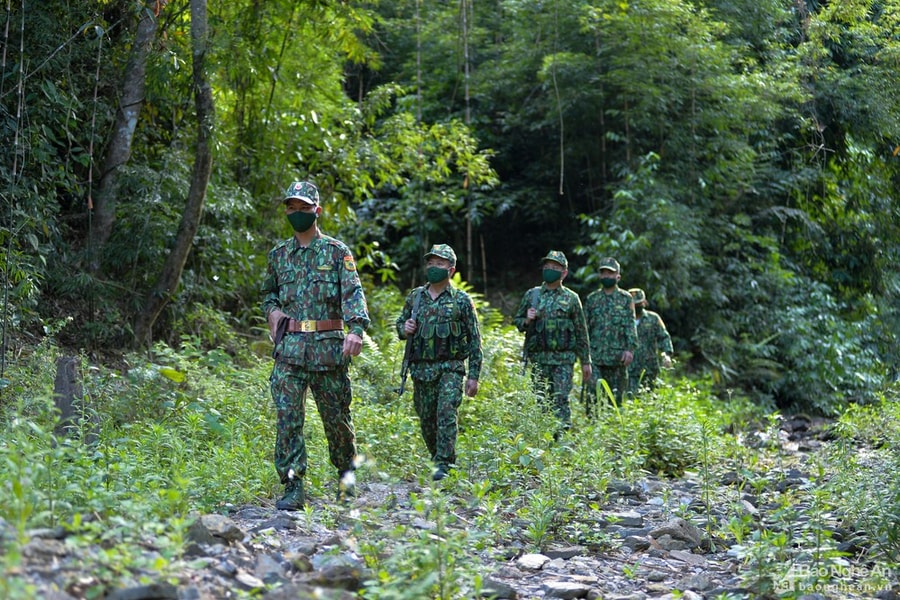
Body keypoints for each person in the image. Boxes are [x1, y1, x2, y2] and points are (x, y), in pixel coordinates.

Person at [262, 180, 370, 510]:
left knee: (336, 420)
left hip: (329, 349)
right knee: (288, 418)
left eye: (303, 208)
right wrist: (272, 311)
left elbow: (353, 293)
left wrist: (356, 329)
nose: (296, 214)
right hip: (291, 350)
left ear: (317, 211)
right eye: (291, 208)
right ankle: (293, 484)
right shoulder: (279, 255)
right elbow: (268, 294)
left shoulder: (337, 252)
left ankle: (346, 477)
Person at [396, 244, 483, 481]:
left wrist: (473, 376)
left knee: (446, 412)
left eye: (440, 264)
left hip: (450, 368)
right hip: (422, 369)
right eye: (431, 263)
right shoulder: (415, 297)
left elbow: (475, 340)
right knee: (426, 417)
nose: (434, 267)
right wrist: (405, 328)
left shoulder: (462, 301)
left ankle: (445, 464)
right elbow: (400, 326)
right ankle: (437, 456)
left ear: (451, 269)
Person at [513, 250, 592, 437]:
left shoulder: (571, 298)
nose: (550, 270)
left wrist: (585, 361)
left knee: (561, 398)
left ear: (564, 273)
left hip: (563, 359)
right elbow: (517, 322)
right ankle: (544, 440)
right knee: (541, 400)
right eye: (547, 267)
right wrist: (526, 319)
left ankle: (561, 440)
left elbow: (581, 331)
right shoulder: (533, 295)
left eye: (555, 268)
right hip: (539, 359)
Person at [583, 257, 637, 414]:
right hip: (595, 358)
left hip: (617, 358)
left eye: (610, 273)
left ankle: (612, 434)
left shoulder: (626, 299)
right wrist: (584, 357)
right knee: (593, 398)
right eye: (604, 273)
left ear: (618, 276)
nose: (607, 276)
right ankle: (593, 430)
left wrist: (630, 349)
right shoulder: (592, 299)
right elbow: (584, 328)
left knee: (615, 401)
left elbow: (630, 325)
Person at [628, 288, 673, 393]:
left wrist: (666, 354)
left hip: (649, 368)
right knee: (630, 399)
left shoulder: (653, 319)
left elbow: (664, 337)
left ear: (644, 302)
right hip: (629, 369)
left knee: (649, 397)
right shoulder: (622, 320)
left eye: (639, 304)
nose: (636, 307)